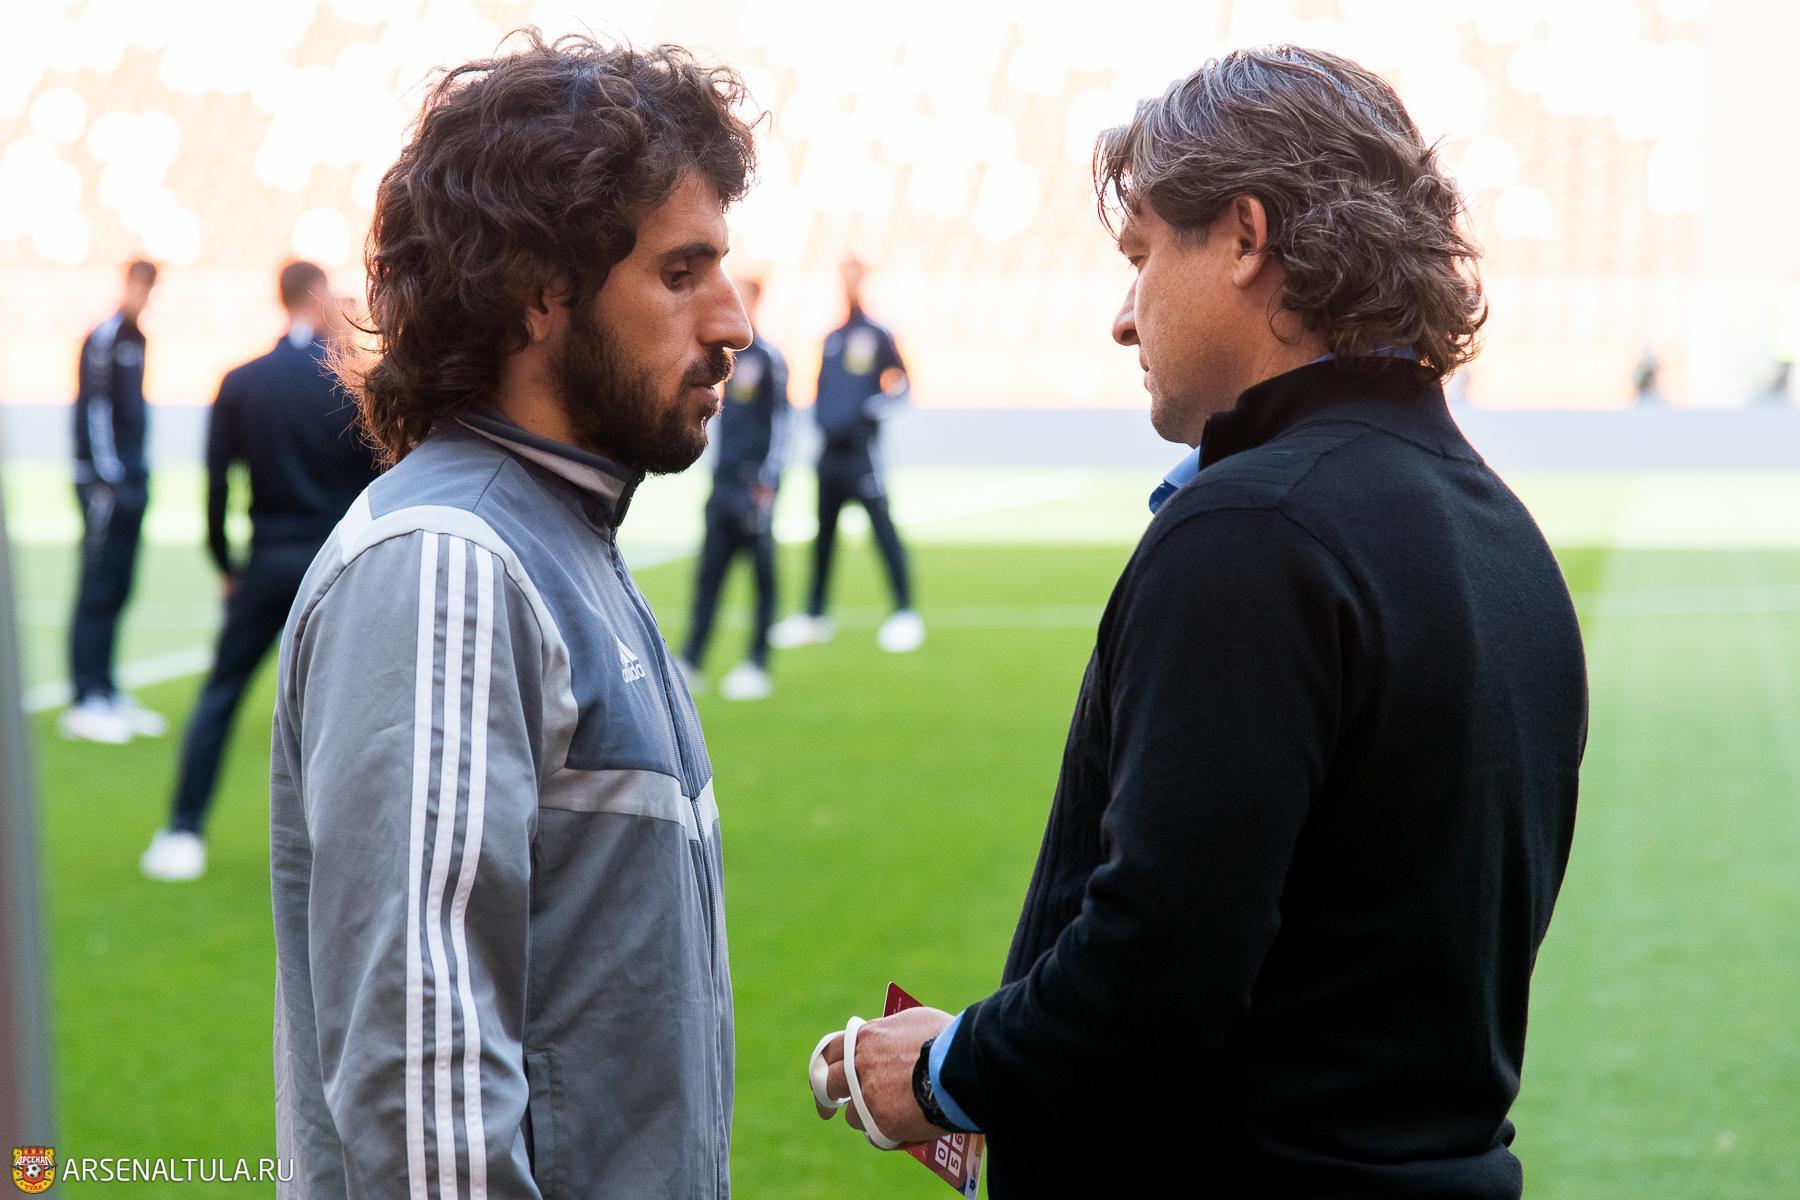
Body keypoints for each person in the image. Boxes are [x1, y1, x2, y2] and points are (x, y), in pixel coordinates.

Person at [812, 47, 1588, 1198]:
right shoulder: (1504, 534)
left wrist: (943, 1072)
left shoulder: (1252, 528)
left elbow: (1160, 965)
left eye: (1140, 257)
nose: (1122, 318)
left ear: (1243, 237)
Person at [268, 33, 755, 1196]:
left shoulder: (561, 541)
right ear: (538, 293)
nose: (733, 321)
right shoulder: (450, 562)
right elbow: (425, 1111)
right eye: (680, 273)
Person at [139, 261, 379, 882]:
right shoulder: (351, 381)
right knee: (355, 713)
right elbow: (380, 477)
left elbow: (216, 485)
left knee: (220, 693)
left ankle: (182, 830)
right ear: (318, 295)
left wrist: (226, 564)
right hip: (340, 565)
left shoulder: (242, 380)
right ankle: (356, 850)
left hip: (267, 561)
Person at [768, 257, 922, 653]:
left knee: (883, 530)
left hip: (861, 455)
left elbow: (903, 383)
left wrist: (871, 411)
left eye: (854, 276)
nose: (848, 283)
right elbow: (822, 388)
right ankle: (815, 615)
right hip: (829, 456)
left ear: (863, 280)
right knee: (823, 537)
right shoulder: (832, 338)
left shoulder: (877, 333)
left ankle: (904, 612)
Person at [61, 259, 163, 744]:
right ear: (128, 284)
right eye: (140, 285)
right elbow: (96, 411)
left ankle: (106, 687)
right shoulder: (103, 337)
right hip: (105, 485)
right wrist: (109, 477)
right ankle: (85, 697)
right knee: (97, 586)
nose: (144, 295)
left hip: (132, 480)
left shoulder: (138, 339)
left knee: (120, 585)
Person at [680, 275, 789, 701]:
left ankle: (757, 662)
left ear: (756, 301)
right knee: (709, 573)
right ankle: (692, 659)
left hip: (752, 486)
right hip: (722, 484)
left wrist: (768, 481)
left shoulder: (769, 358)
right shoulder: (722, 359)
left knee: (761, 576)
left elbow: (781, 424)